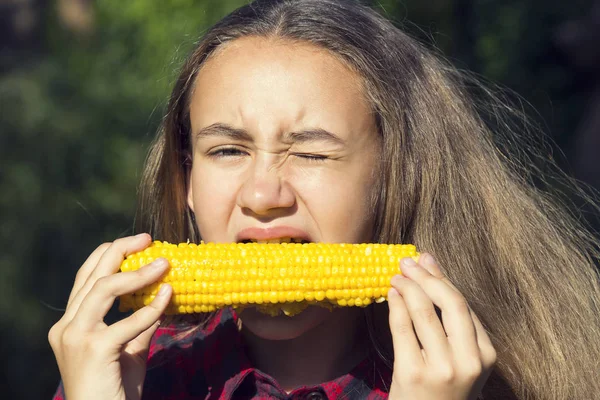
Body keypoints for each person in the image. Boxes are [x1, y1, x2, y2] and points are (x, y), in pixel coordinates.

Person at [48, 0, 600, 399]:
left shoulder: (500, 382)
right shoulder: (129, 377)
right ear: (186, 183)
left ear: (397, 178)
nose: (263, 195)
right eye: (227, 150)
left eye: (312, 154)